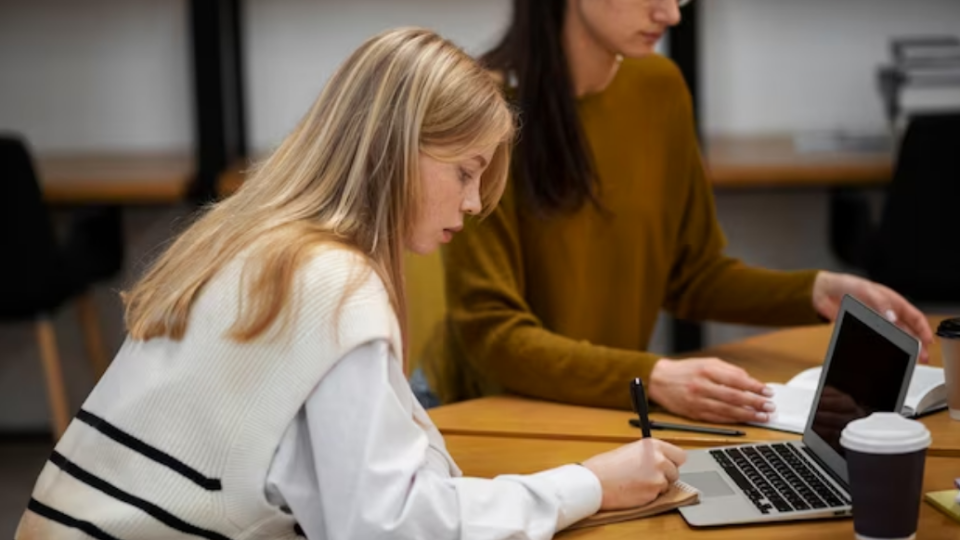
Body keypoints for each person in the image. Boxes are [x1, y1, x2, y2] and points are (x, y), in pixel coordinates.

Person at [15, 28, 687, 540]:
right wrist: (589, 484)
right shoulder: (331, 282)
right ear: (395, 147)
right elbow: (386, 526)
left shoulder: (258, 241)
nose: (477, 202)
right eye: (465, 171)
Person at [421, 0, 934, 422]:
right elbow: (495, 336)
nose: (671, 14)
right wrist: (657, 375)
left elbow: (691, 275)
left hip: (606, 405)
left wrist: (817, 290)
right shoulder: (486, 109)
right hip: (485, 410)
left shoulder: (659, 87)